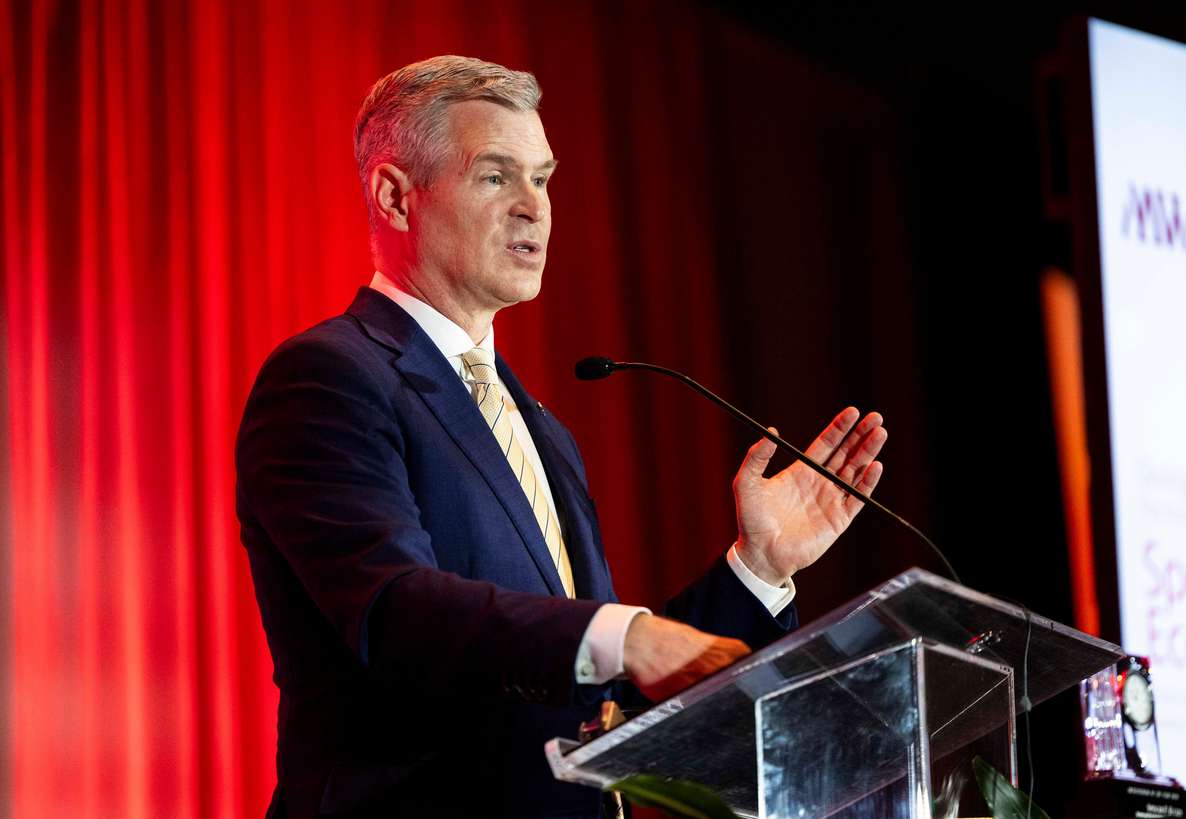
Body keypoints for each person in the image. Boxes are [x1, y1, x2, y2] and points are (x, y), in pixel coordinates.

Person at [235, 55, 887, 819]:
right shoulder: (329, 376)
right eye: (495, 176)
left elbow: (602, 697)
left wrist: (757, 568)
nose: (534, 208)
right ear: (395, 196)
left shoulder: (541, 427)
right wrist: (625, 635)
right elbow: (394, 610)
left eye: (542, 179)